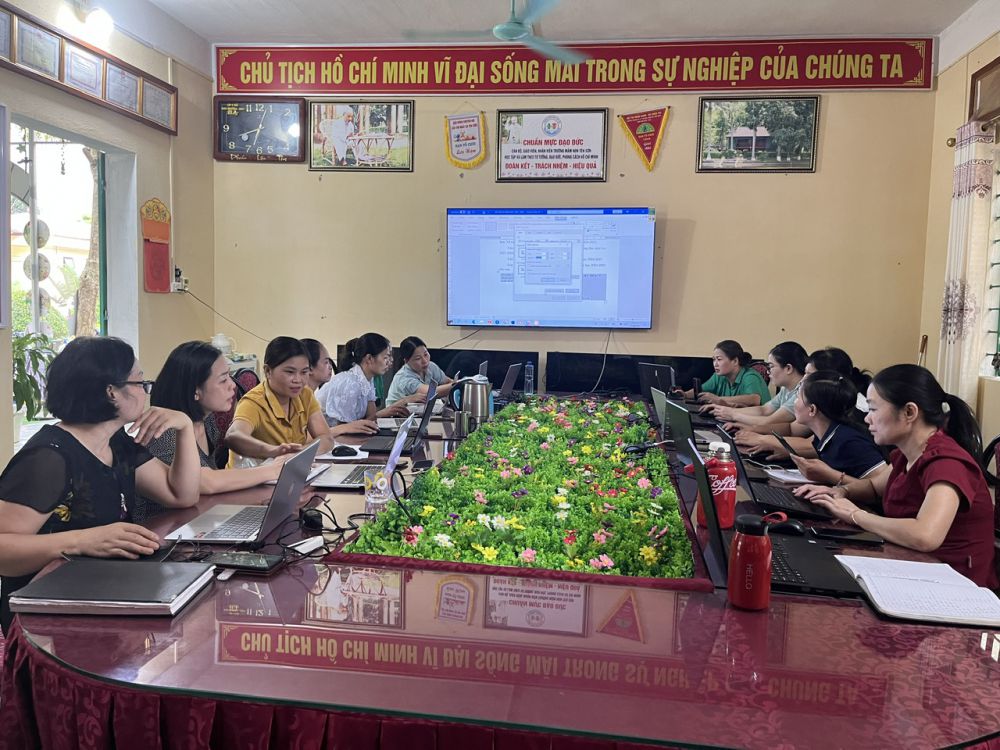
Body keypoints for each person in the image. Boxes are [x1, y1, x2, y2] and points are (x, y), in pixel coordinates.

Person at [0, 337, 202, 634]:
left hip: (102, 588)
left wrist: (183, 427)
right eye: (140, 382)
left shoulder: (116, 442)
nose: (146, 391)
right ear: (112, 392)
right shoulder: (49, 457)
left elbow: (181, 495)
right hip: (45, 613)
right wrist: (81, 540)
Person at [796, 365, 997, 587]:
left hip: (955, 583)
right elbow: (874, 488)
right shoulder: (907, 453)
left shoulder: (946, 462)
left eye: (873, 409)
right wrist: (839, 492)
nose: (867, 419)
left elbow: (925, 535)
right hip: (914, 565)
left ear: (909, 412)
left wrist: (855, 515)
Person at [141, 342, 292, 504]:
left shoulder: (207, 420)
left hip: (203, 511)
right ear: (195, 390)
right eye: (223, 380)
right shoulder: (165, 432)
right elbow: (205, 481)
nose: (233, 386)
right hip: (167, 519)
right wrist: (272, 471)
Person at [226, 337, 364, 467]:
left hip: (286, 473)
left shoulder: (304, 394)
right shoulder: (253, 402)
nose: (298, 380)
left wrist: (298, 455)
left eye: (304, 372)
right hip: (253, 478)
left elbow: (326, 438)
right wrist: (272, 451)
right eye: (290, 372)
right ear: (268, 371)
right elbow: (233, 436)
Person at [786, 370, 887, 484]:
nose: (795, 402)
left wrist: (829, 475)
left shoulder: (849, 442)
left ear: (812, 409)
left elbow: (880, 487)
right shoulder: (824, 436)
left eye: (798, 397)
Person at [706, 341, 807, 428]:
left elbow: (770, 421)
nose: (768, 372)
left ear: (788, 368)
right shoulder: (786, 389)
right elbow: (764, 410)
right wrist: (727, 410)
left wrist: (733, 415)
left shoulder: (802, 393)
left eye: (771, 366)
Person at [317, 333, 411, 426]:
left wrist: (385, 412)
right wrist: (383, 413)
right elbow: (344, 429)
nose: (391, 361)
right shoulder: (350, 383)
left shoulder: (367, 380)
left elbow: (371, 417)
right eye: (386, 357)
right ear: (369, 358)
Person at [673, 340, 771, 407]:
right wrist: (685, 395)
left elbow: (754, 399)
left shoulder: (750, 376)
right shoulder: (719, 376)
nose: (715, 364)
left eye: (719, 359)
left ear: (735, 361)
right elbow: (701, 391)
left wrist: (718, 399)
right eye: (714, 359)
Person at [385, 336, 454, 404]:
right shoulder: (404, 377)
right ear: (406, 361)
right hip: (398, 411)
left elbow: (447, 381)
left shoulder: (431, 366)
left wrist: (455, 383)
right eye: (418, 358)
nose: (425, 361)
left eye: (425, 354)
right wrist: (455, 385)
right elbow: (429, 393)